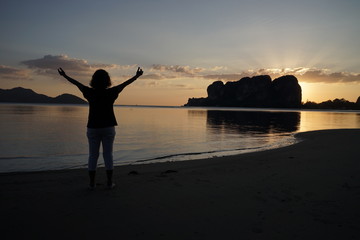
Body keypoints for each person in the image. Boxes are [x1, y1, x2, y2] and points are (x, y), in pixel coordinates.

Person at [58, 67, 143, 190]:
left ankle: (92, 184)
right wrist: (136, 76)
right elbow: (125, 84)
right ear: (107, 80)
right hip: (108, 127)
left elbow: (76, 83)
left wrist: (65, 76)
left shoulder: (89, 92)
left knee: (93, 156)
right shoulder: (112, 92)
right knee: (108, 155)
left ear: (93, 80)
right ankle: (109, 183)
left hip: (93, 127)